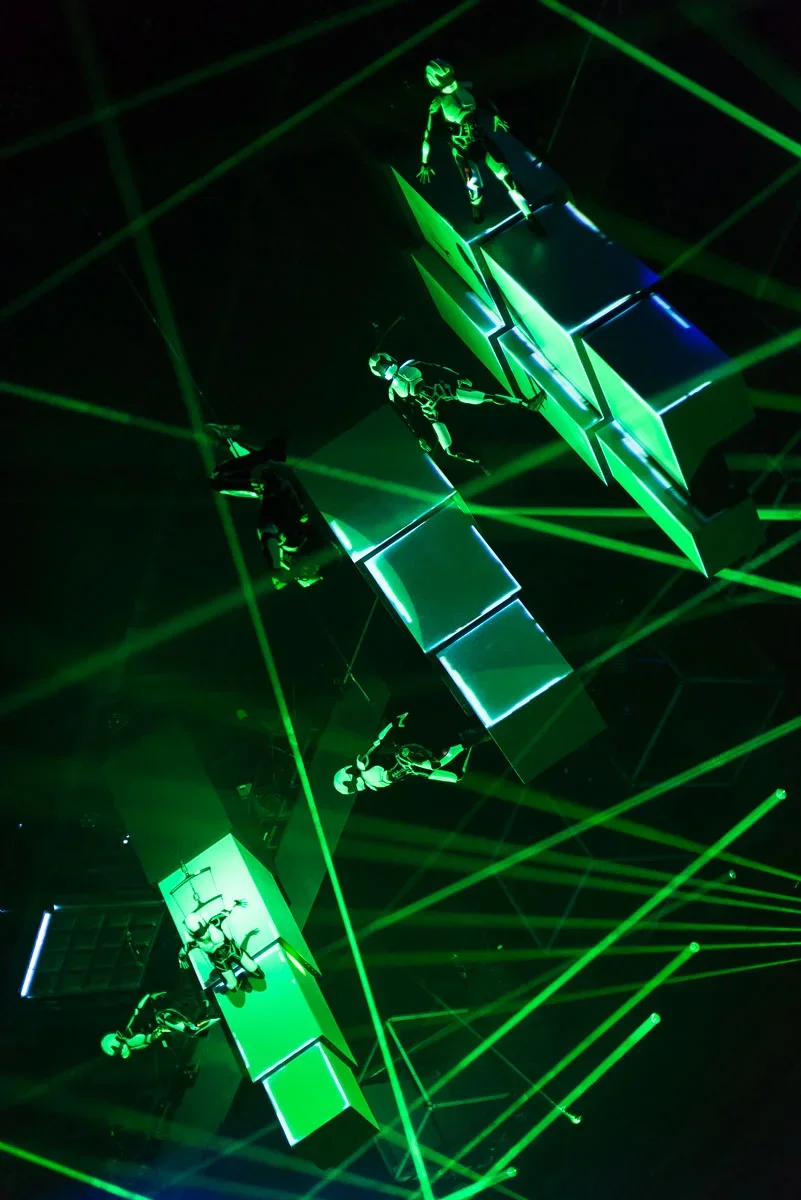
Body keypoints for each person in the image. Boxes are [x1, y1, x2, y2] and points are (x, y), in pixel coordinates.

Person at [417, 59, 544, 230]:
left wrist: (496, 114)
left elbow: (484, 99)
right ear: (434, 81)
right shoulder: (437, 104)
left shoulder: (466, 87)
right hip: (462, 150)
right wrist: (425, 162)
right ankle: (475, 205)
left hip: (482, 142)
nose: (450, 80)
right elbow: (428, 134)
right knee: (474, 187)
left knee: (507, 178)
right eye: (444, 78)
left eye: (450, 75)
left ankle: (529, 216)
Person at [370, 352, 544, 464]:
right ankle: (478, 461)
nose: (386, 368)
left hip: (444, 393)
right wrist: (419, 436)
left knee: (486, 397)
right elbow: (408, 416)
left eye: (385, 364)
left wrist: (457, 377)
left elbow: (437, 368)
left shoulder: (409, 367)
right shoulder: (394, 391)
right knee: (450, 449)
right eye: (383, 367)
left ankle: (525, 404)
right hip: (434, 409)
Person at [205, 425, 323, 589]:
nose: (313, 567)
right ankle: (268, 452)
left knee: (248, 466)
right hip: (269, 484)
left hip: (272, 487)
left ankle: (245, 445)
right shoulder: (293, 542)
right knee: (217, 480)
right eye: (312, 569)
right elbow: (268, 532)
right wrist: (276, 568)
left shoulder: (297, 542)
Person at [333, 711, 480, 794]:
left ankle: (465, 742)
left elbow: (378, 742)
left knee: (434, 764)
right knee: (456, 776)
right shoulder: (372, 782)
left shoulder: (364, 765)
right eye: (351, 790)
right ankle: (468, 744)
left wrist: (394, 723)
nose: (354, 789)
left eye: (350, 787)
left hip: (406, 755)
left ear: (349, 776)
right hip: (413, 768)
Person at [178, 897, 263, 994]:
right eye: (199, 935)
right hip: (220, 962)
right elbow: (183, 951)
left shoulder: (215, 922)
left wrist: (235, 903)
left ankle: (241, 977)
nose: (203, 936)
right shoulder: (195, 942)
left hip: (233, 951)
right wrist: (181, 958)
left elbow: (226, 911)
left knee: (258, 974)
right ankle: (239, 979)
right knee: (233, 987)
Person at [100, 992, 219, 1058]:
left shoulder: (129, 1033)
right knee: (198, 1032)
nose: (121, 1052)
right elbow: (157, 1034)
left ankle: (217, 1013)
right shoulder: (134, 1046)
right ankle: (207, 1005)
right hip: (165, 1025)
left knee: (192, 1029)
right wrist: (167, 1044)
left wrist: (150, 996)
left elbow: (137, 1011)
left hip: (163, 1016)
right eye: (118, 1052)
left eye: (118, 1049)